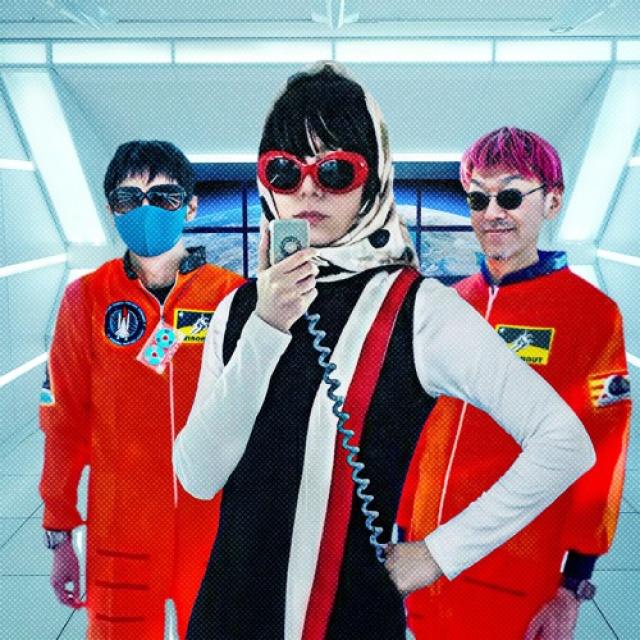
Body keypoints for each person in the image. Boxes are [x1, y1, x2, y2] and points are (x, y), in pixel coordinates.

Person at [173, 64, 595, 640]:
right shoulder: (240, 308)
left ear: (373, 179)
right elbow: (198, 476)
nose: (308, 190)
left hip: (351, 618)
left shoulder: (419, 309)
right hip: (227, 615)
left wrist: (440, 553)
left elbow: (564, 443)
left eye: (336, 170)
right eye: (285, 170)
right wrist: (266, 326)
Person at [398, 127, 632, 640]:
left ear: (552, 201)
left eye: (509, 196)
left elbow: (604, 449)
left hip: (515, 577)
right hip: (423, 567)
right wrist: (400, 527)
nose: (491, 213)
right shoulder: (448, 303)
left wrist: (573, 584)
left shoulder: (592, 314)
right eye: (477, 198)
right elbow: (421, 431)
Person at [39, 140, 244, 639]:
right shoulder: (87, 298)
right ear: (112, 208)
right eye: (129, 198)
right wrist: (59, 528)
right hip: (122, 527)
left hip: (214, 525)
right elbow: (63, 420)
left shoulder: (231, 296)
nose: (146, 210)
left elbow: (261, 420)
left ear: (190, 206)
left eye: (165, 196)